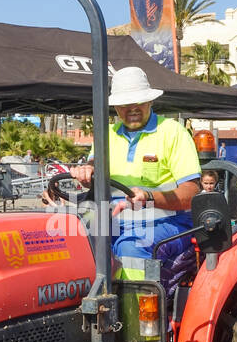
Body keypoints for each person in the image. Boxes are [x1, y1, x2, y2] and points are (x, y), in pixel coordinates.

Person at [68, 66, 201, 279]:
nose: (132, 108)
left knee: (131, 248)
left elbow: (191, 192)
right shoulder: (107, 134)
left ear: (150, 101)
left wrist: (149, 197)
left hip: (169, 223)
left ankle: (133, 311)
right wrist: (86, 173)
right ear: (116, 107)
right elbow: (94, 166)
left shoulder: (173, 133)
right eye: (124, 103)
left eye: (138, 101)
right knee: (69, 243)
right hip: (115, 221)